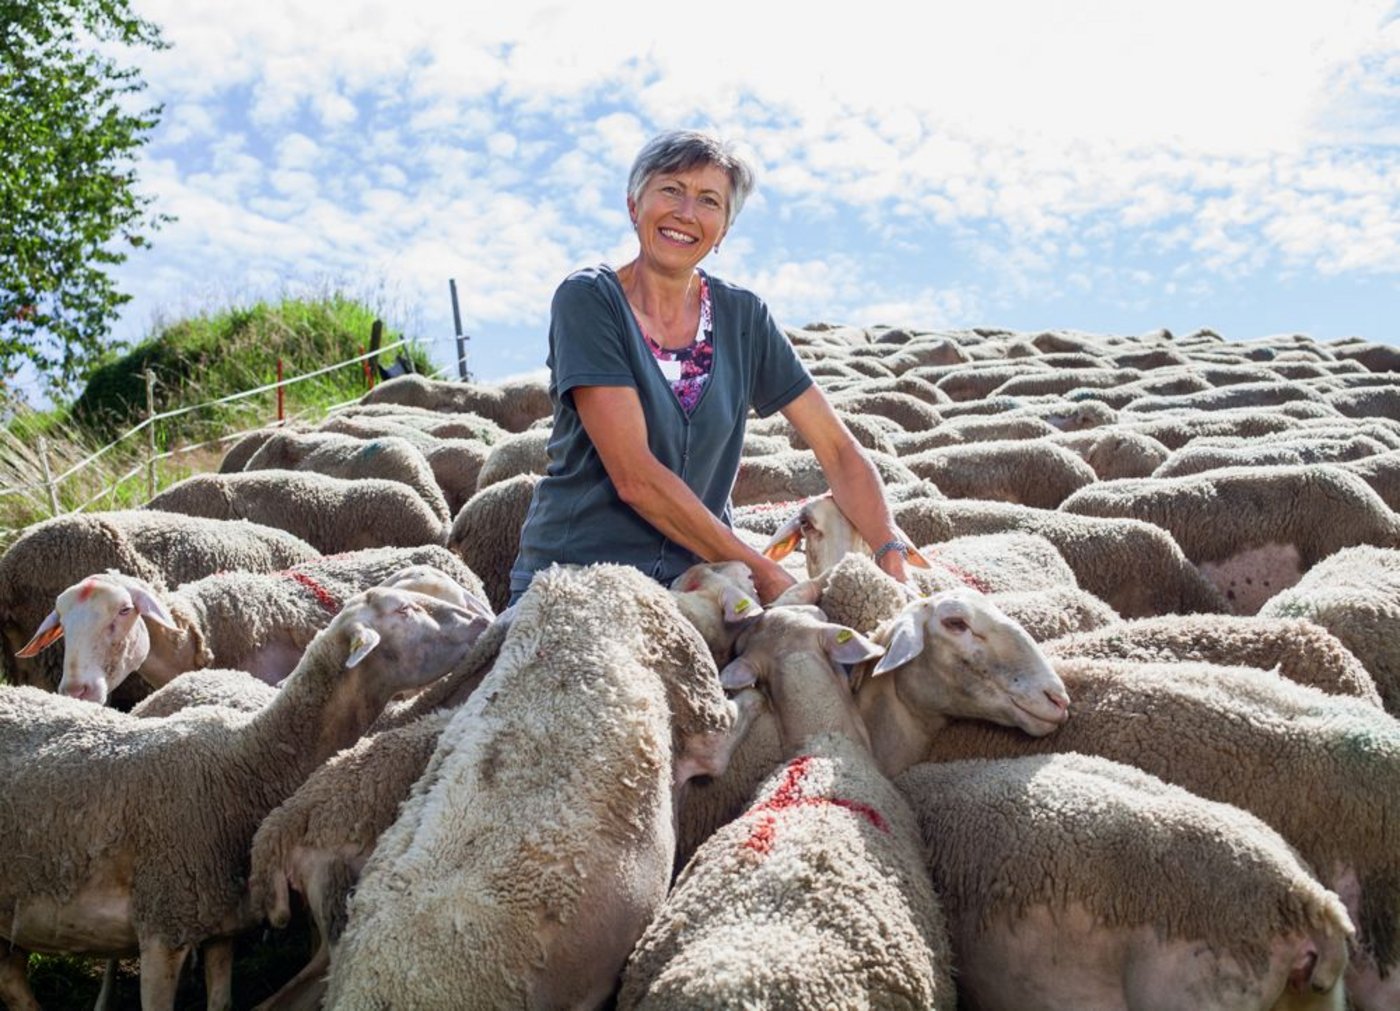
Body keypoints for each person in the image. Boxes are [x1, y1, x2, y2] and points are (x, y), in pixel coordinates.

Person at [507, 129, 911, 606]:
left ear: (723, 230)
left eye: (709, 201)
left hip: (706, 584)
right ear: (635, 205)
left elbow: (838, 450)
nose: (686, 213)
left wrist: (890, 555)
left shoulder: (743, 317)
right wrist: (763, 570)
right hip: (580, 578)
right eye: (671, 190)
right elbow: (636, 477)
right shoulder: (590, 300)